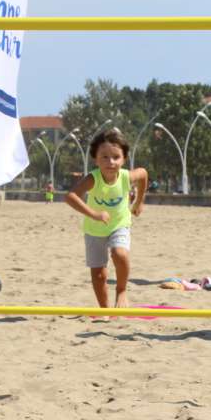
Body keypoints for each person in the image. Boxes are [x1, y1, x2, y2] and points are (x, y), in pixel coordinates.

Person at [65, 129, 149, 308]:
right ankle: (105, 310)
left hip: (119, 224)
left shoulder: (126, 177)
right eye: (104, 157)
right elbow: (70, 197)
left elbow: (143, 174)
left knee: (120, 254)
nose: (110, 162)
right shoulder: (92, 179)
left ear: (124, 159)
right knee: (99, 274)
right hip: (94, 230)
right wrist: (94, 214)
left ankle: (121, 290)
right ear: (95, 159)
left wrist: (139, 202)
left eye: (116, 157)